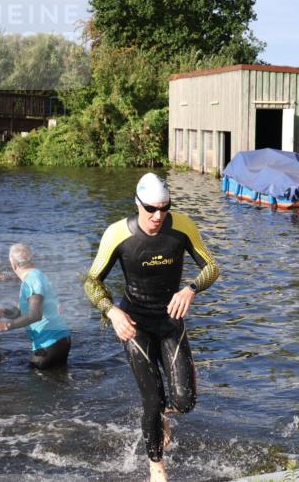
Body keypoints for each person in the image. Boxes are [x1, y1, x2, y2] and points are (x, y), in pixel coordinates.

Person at [84, 173, 220, 482]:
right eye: (150, 209)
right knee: (152, 399)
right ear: (137, 204)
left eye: (164, 208)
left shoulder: (182, 226)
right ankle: (156, 466)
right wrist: (112, 312)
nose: (158, 216)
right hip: (133, 324)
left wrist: (190, 290)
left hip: (170, 322)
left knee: (185, 402)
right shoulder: (117, 233)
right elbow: (91, 281)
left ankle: (161, 419)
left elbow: (212, 267)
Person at [0, 243, 71, 370]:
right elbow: (20, 311)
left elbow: (35, 315)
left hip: (49, 344)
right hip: (60, 340)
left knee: (36, 385)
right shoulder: (36, 276)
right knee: (57, 383)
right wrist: (2, 313)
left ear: (13, 264)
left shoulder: (32, 281)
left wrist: (5, 326)